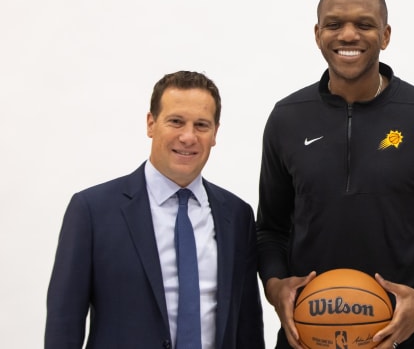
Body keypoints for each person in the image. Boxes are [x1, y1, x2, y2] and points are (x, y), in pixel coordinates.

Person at [256, 0, 414, 349]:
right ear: (318, 34)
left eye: (365, 24)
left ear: (385, 35)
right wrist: (276, 286)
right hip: (308, 338)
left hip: (406, 340)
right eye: (334, 24)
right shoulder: (286, 118)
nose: (348, 34)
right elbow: (270, 230)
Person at [45, 71, 265, 349]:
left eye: (201, 125)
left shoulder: (236, 215)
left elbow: (247, 327)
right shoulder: (92, 211)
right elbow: (64, 323)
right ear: (151, 123)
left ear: (215, 133)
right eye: (176, 122)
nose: (188, 136)